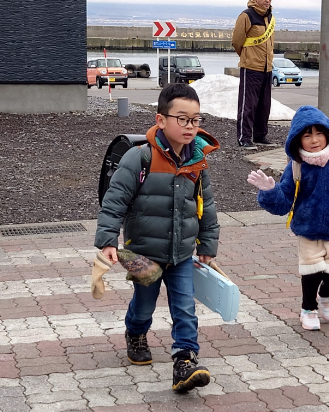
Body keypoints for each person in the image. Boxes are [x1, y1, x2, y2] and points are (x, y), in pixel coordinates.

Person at [94, 83, 220, 392]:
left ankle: (185, 361)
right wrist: (108, 241)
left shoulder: (197, 161)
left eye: (196, 119)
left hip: (181, 253)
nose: (190, 126)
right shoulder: (139, 158)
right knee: (144, 306)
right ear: (161, 120)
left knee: (185, 309)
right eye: (182, 119)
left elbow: (206, 206)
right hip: (142, 252)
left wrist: (207, 244)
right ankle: (136, 333)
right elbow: (114, 201)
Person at [247, 105, 329, 330]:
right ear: (298, 139)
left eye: (319, 133)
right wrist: (270, 191)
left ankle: (326, 296)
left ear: (328, 134)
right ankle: (308, 309)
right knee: (311, 271)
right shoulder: (296, 166)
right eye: (307, 135)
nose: (314, 140)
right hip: (307, 228)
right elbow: (284, 202)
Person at [232, 0, 275, 149]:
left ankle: (260, 135)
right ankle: (244, 138)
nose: (268, 1)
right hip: (251, 67)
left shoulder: (269, 17)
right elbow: (237, 41)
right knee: (248, 104)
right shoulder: (247, 15)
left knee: (264, 104)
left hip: (267, 67)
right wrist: (247, 56)